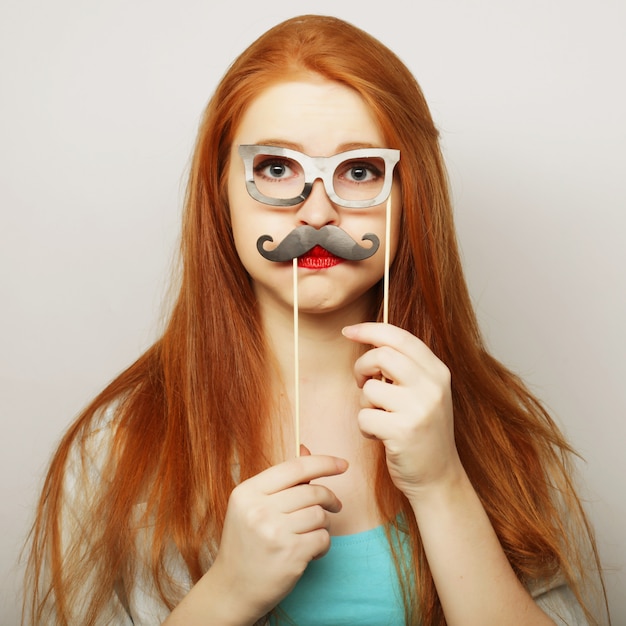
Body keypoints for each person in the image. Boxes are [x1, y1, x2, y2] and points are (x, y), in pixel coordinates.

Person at [23, 14, 609, 626]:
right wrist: (228, 592)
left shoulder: (497, 427)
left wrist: (443, 485)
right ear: (218, 189)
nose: (318, 210)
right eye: (277, 168)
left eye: (359, 171)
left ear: (410, 195)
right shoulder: (119, 444)